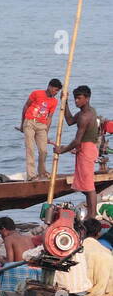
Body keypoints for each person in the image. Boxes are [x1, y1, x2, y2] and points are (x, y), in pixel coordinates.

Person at [54, 85, 99, 218]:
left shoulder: (85, 116)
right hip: (84, 149)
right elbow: (69, 120)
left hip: (86, 149)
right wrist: (65, 102)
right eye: (75, 99)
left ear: (87, 98)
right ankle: (91, 212)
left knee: (89, 187)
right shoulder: (83, 113)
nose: (76, 101)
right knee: (83, 185)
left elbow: (77, 141)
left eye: (79, 98)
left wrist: (62, 150)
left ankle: (92, 216)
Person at [18, 79, 62, 179]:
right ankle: (31, 175)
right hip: (30, 122)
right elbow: (26, 106)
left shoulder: (54, 101)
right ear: (49, 87)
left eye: (57, 92)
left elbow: (49, 117)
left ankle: (41, 171)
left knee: (43, 151)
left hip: (42, 126)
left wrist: (46, 132)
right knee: (30, 149)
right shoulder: (36, 93)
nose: (55, 93)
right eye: (55, 90)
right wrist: (22, 124)